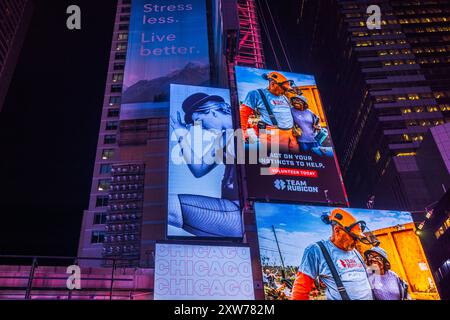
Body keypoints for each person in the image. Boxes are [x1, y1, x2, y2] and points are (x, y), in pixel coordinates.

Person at [169, 92, 241, 237]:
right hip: (228, 210)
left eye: (200, 121)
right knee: (164, 205)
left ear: (212, 112)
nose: (201, 128)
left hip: (240, 213)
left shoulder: (250, 129)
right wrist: (180, 133)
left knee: (163, 205)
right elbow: (199, 170)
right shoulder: (225, 136)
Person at [291, 208, 378, 300]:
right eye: (353, 237)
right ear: (337, 231)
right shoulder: (316, 250)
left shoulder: (355, 252)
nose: (356, 242)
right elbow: (300, 290)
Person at [240, 71, 299, 152]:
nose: (285, 92)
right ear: (272, 84)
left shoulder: (284, 97)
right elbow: (243, 113)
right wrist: (242, 132)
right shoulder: (256, 94)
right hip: (272, 135)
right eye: (284, 89)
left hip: (290, 135)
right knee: (276, 162)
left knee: (292, 160)